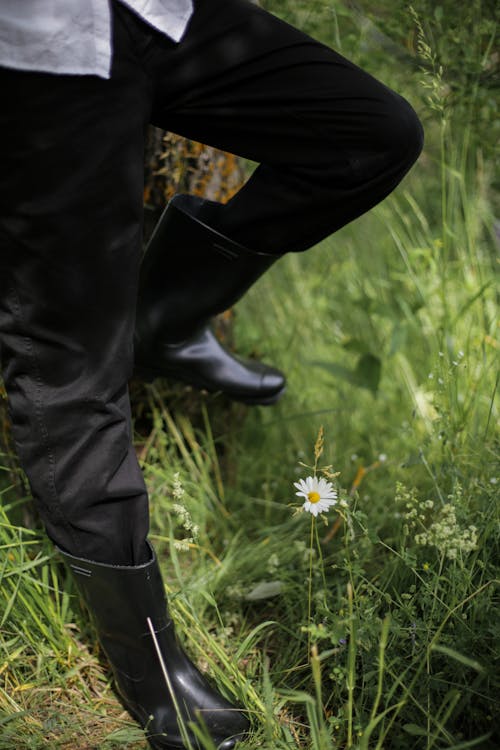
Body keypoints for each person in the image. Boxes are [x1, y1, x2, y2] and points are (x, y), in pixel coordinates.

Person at [0, 1, 424, 747]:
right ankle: (152, 666)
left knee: (371, 134)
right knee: (69, 369)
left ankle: (158, 325)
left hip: (158, 11)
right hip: (38, 53)